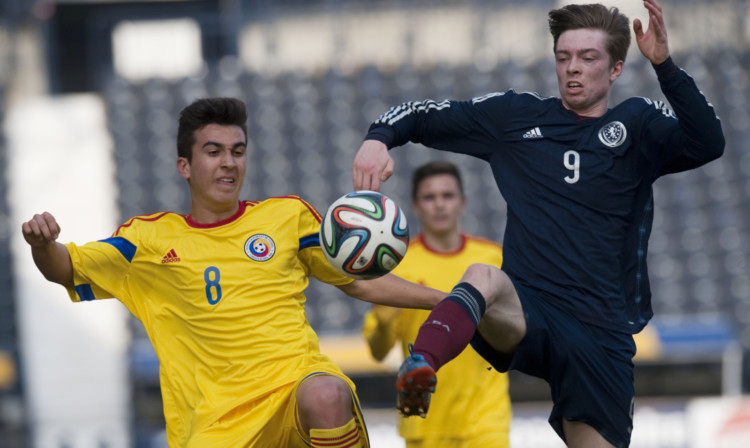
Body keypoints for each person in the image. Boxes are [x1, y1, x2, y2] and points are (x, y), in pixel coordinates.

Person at [351, 1, 724, 447]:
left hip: (602, 332)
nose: (573, 68)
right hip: (529, 309)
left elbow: (708, 142)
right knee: (484, 278)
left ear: (616, 68)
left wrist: (664, 65)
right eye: (563, 57)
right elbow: (420, 113)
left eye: (588, 58)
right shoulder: (516, 117)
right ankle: (422, 364)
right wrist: (378, 138)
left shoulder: (638, 124)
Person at [21, 97, 445, 448]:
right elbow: (65, 269)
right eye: (213, 151)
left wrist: (445, 301)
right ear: (184, 166)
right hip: (213, 426)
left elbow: (355, 279)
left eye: (237, 151)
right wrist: (44, 245)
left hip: (292, 394)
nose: (229, 162)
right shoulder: (146, 241)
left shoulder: (287, 216)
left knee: (328, 392)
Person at [361, 161, 511, 447]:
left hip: (486, 420)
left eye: (447, 196)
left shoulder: (492, 260)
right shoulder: (397, 266)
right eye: (430, 197)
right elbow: (379, 352)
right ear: (416, 206)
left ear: (462, 203)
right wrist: (383, 316)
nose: (439, 205)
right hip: (425, 424)